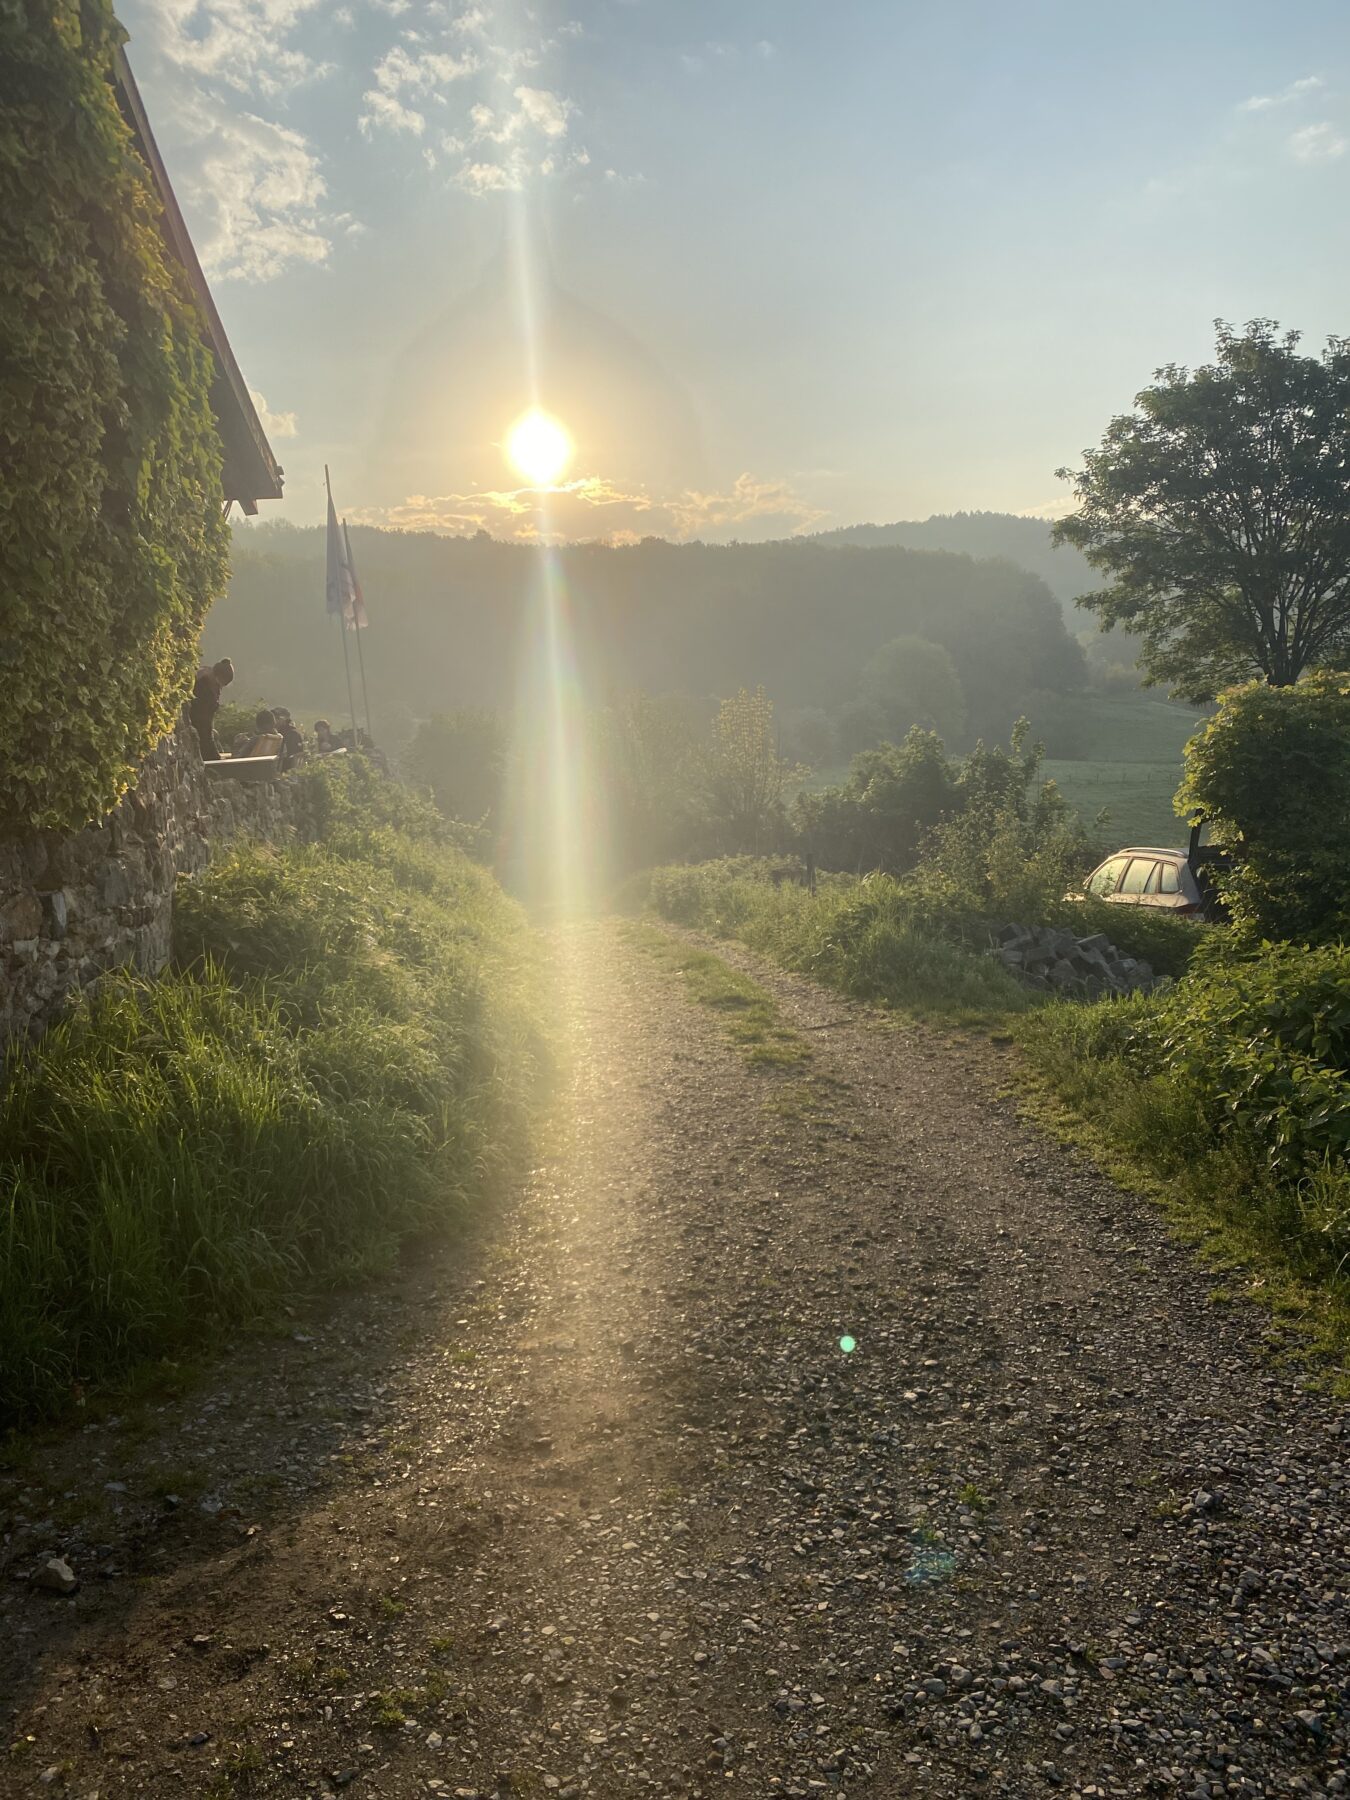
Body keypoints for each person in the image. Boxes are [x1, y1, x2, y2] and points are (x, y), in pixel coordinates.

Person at [189, 658, 234, 760]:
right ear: (217, 677)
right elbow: (204, 727)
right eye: (220, 685)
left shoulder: (201, 679)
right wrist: (215, 756)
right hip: (199, 737)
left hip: (200, 734)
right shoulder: (205, 693)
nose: (220, 690)